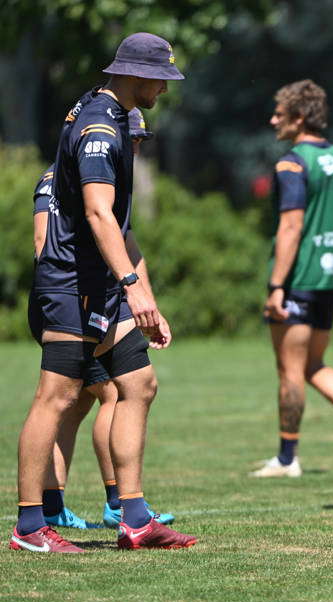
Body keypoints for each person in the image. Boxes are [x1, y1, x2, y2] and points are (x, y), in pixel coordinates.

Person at [11, 32, 195, 552]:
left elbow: (121, 225)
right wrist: (133, 286)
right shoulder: (99, 129)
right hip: (72, 284)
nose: (163, 89)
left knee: (138, 385)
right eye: (160, 79)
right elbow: (97, 214)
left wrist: (144, 297)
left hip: (101, 286)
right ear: (137, 73)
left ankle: (134, 518)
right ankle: (29, 527)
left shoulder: (111, 117)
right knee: (58, 396)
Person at [31, 109, 176, 531]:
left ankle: (54, 503)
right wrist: (63, 302)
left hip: (106, 301)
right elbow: (43, 242)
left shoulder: (114, 179)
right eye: (132, 139)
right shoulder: (60, 176)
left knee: (78, 403)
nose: (134, 147)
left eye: (140, 141)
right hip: (72, 302)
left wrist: (144, 300)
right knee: (111, 394)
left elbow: (128, 244)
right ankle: (118, 502)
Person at [252, 79, 333, 479]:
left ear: (300, 117)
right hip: (330, 277)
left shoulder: (293, 162)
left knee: (288, 369)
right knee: (313, 364)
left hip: (299, 278)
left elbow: (291, 227)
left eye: (280, 113)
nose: (274, 120)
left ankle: (287, 458)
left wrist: (276, 285)